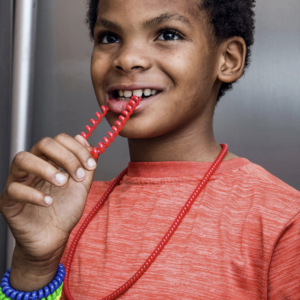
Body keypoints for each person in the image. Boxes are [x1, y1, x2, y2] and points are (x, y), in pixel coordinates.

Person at [0, 0, 299, 299]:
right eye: (110, 38)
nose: (127, 59)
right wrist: (35, 264)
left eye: (168, 34)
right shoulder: (64, 207)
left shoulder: (284, 220)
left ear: (227, 59)